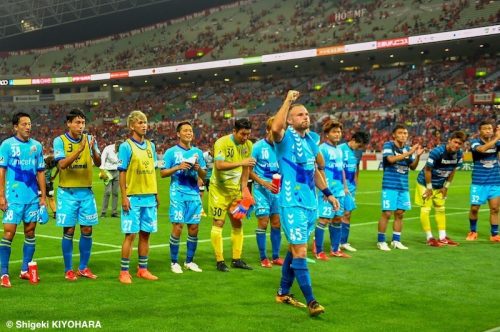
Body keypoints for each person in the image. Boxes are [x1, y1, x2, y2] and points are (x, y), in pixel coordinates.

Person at [271, 90, 339, 317]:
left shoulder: (311, 141)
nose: (305, 117)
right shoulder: (284, 137)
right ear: (290, 119)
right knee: (300, 249)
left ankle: (283, 291)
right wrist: (288, 101)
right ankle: (311, 301)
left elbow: (314, 170)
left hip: (311, 203)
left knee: (295, 247)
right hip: (292, 202)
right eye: (300, 115)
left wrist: (328, 193)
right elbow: (275, 128)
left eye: (307, 114)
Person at [54, 109, 101, 281]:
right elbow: (62, 165)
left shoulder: (90, 140)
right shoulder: (59, 141)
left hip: (86, 192)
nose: (81, 126)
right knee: (69, 230)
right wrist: (79, 150)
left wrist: (93, 150)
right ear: (69, 124)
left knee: (87, 229)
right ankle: (68, 269)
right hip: (67, 193)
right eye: (77, 122)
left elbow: (98, 162)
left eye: (83, 123)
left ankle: (83, 267)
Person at [0, 112, 46, 288]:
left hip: (32, 197)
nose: (28, 127)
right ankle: (3, 273)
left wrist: (43, 194)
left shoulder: (37, 146)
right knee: (9, 233)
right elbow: (2, 171)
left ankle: (25, 269)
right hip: (13, 198)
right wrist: (1, 195)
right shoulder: (7, 145)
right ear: (15, 127)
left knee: (30, 232)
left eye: (29, 124)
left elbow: (40, 171)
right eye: (24, 124)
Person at [118, 110, 159, 284]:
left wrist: (156, 193)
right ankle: (124, 272)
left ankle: (142, 269)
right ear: (131, 125)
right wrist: (124, 196)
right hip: (133, 197)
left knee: (145, 235)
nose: (144, 125)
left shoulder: (151, 146)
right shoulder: (126, 146)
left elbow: (152, 172)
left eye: (145, 122)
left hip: (149, 196)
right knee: (130, 235)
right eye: (140, 122)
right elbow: (122, 173)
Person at [209, 118, 255, 272]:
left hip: (235, 191)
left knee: (238, 223)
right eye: (243, 134)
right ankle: (220, 261)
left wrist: (244, 190)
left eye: (248, 134)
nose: (245, 137)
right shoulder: (221, 143)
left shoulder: (248, 145)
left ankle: (237, 259)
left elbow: (246, 169)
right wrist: (242, 163)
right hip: (219, 191)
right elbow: (219, 165)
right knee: (219, 223)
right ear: (234, 131)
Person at [160, 121, 206, 273]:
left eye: (191, 130)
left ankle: (189, 261)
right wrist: (178, 167)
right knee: (178, 226)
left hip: (193, 194)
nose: (188, 133)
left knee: (194, 227)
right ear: (178, 134)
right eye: (185, 130)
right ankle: (174, 262)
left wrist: (199, 169)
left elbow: (205, 175)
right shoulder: (171, 152)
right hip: (177, 193)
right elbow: (162, 173)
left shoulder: (198, 153)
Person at [415, 131, 466, 246]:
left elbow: (453, 170)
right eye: (455, 142)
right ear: (449, 140)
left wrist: (446, 186)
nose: (457, 145)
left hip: (439, 185)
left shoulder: (459, 154)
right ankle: (430, 238)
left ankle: (443, 237)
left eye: (460, 143)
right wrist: (428, 187)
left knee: (440, 209)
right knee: (426, 209)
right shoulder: (437, 152)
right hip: (424, 183)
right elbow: (427, 170)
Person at [377, 124, 423, 251]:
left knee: (400, 213)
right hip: (390, 185)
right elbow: (390, 159)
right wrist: (409, 152)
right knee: (386, 213)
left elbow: (413, 167)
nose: (403, 135)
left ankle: (396, 241)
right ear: (394, 135)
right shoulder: (389, 145)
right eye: (400, 133)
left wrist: (417, 156)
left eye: (405, 133)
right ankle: (381, 241)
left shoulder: (407, 149)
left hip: (403, 187)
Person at [250, 116, 283, 268]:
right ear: (268, 130)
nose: (277, 135)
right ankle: (263, 257)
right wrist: (263, 182)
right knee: (263, 222)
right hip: (261, 190)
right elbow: (248, 171)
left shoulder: (282, 147)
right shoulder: (257, 147)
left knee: (276, 223)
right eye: (275, 132)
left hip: (277, 191)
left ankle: (276, 256)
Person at [315, 120, 350, 260]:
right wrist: (325, 190)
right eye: (334, 132)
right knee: (323, 219)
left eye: (339, 131)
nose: (338, 134)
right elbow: (318, 169)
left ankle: (335, 249)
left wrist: (345, 187)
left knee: (337, 218)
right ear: (327, 134)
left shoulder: (339, 149)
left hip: (339, 190)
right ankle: (319, 251)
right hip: (327, 191)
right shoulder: (322, 149)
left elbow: (341, 169)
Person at [466, 120, 500, 242]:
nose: (488, 130)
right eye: (485, 128)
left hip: (495, 181)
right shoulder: (474, 142)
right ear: (480, 130)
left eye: (490, 128)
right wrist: (496, 138)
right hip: (479, 182)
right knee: (474, 208)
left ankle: (495, 234)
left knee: (495, 209)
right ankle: (473, 231)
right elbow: (481, 150)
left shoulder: (498, 143)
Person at [338, 131, 370, 252]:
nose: (360, 147)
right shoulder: (340, 149)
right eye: (359, 144)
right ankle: (318, 239)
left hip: (351, 187)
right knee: (334, 215)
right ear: (353, 139)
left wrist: (356, 180)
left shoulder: (358, 152)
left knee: (348, 214)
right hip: (339, 186)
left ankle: (343, 242)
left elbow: (356, 166)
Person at [99, 139, 122, 217]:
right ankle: (103, 212)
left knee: (115, 193)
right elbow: (103, 158)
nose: (118, 150)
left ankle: (114, 212)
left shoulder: (121, 150)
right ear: (115, 144)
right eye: (118, 148)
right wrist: (102, 170)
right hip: (107, 172)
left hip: (117, 172)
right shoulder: (108, 148)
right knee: (107, 192)